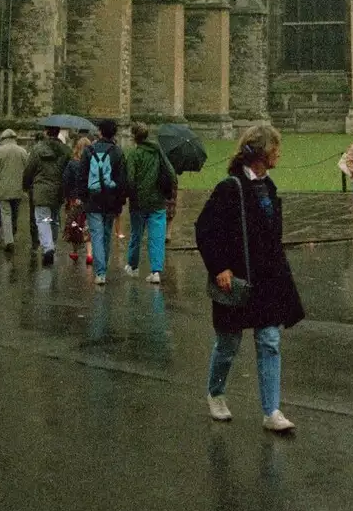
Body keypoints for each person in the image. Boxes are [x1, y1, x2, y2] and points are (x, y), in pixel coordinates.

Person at [194, 122, 304, 432]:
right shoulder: (230, 187)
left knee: (269, 340)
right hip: (236, 280)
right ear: (261, 152)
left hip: (266, 280)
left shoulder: (268, 186)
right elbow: (205, 230)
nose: (278, 154)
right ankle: (215, 393)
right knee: (228, 344)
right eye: (275, 149)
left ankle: (272, 411)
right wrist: (219, 268)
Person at [124, 121, 176, 283]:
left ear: (134, 137)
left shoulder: (134, 154)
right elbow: (171, 174)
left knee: (136, 235)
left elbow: (130, 179)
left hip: (139, 202)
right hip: (158, 202)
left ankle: (133, 266)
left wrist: (130, 195)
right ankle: (156, 271)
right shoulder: (158, 152)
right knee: (157, 238)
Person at [78, 119, 128, 284]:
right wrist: (120, 202)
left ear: (100, 132)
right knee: (106, 235)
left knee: (97, 235)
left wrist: (83, 197)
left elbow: (82, 176)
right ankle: (102, 269)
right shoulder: (118, 152)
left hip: (93, 198)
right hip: (111, 198)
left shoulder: (88, 151)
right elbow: (121, 180)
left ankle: (100, 273)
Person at [23, 124, 70, 265]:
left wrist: (26, 185)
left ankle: (47, 247)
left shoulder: (37, 150)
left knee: (43, 218)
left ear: (46, 132)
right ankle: (52, 244)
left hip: (41, 189)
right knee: (54, 218)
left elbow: (29, 170)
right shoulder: (66, 151)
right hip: (58, 189)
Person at [0, 126, 27, 250]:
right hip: (18, 188)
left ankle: (8, 240)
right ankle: (11, 236)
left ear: (3, 138)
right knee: (15, 214)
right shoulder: (22, 151)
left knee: (5, 214)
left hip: (2, 188)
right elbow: (27, 170)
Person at [62, 133, 93, 263]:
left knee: (74, 225)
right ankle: (89, 253)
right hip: (90, 199)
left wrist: (67, 197)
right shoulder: (93, 163)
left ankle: (75, 252)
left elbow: (65, 180)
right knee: (87, 225)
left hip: (75, 199)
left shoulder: (72, 163)